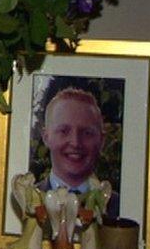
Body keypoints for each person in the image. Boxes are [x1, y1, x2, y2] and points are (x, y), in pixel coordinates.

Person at [35, 87, 119, 219]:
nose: (75, 142)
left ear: (102, 141)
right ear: (46, 138)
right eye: (64, 131)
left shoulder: (118, 207)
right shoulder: (30, 200)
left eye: (87, 133)